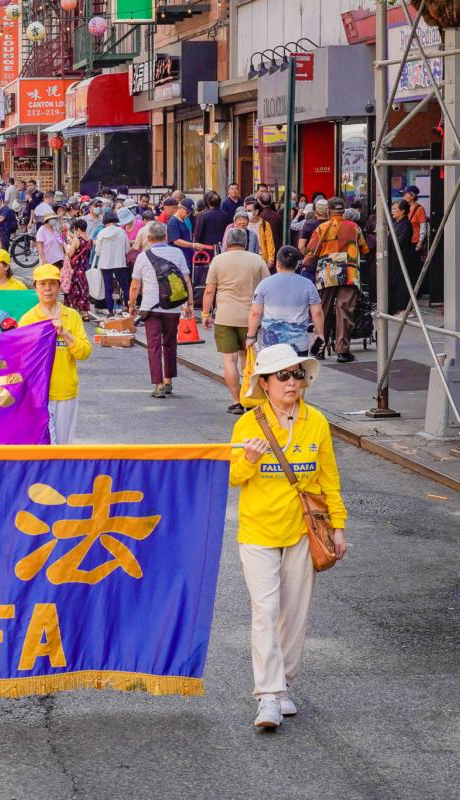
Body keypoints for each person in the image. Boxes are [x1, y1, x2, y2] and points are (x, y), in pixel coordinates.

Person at [230, 343, 347, 729]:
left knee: (294, 616)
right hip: (258, 530)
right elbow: (231, 477)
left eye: (297, 373)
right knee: (265, 612)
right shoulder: (248, 425)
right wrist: (249, 459)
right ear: (263, 383)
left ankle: (282, 689)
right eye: (282, 375)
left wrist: (339, 527)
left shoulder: (316, 422)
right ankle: (266, 695)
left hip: (302, 531)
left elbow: (328, 479)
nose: (292, 382)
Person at [18, 263, 92, 444]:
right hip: (38, 394)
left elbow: (84, 352)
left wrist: (65, 334)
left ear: (59, 287)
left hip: (65, 391)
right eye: (42, 284)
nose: (48, 289)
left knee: (63, 446)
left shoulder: (72, 316)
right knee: (44, 444)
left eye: (52, 283)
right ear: (35, 287)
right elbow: (20, 358)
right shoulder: (28, 320)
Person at [203, 228, 270, 414]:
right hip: (250, 316)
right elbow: (267, 286)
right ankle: (249, 399)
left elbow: (209, 290)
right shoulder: (256, 260)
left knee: (229, 359)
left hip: (225, 316)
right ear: (245, 242)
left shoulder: (218, 260)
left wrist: (206, 314)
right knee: (246, 358)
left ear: (227, 242)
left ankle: (236, 400)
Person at [128, 221, 195, 398]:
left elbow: (135, 285)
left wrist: (132, 304)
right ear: (166, 237)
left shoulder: (143, 256)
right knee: (170, 343)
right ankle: (168, 380)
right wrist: (190, 304)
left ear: (149, 238)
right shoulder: (178, 253)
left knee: (154, 346)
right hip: (173, 307)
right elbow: (186, 280)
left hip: (150, 307)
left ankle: (158, 385)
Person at [301, 197, 369, 363]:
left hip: (327, 272)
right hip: (350, 272)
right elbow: (364, 249)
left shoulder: (322, 228)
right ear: (343, 211)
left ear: (329, 211)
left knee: (322, 310)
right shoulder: (354, 227)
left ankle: (320, 349)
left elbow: (311, 251)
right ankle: (342, 351)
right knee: (344, 309)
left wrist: (307, 262)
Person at [248, 246, 325, 357]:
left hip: (271, 346)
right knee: (297, 373)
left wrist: (251, 337)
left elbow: (255, 313)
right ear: (296, 265)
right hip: (299, 345)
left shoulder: (264, 284)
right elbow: (317, 312)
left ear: (277, 263)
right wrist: (320, 334)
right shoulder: (308, 284)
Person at [94, 211, 131, 316]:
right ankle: (127, 308)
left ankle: (110, 311)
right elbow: (127, 249)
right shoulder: (122, 232)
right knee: (125, 287)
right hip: (119, 262)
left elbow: (98, 251)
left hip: (105, 264)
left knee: (108, 288)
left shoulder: (101, 233)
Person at [388, 199, 418, 313]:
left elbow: (399, 242)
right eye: (392, 209)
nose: (392, 211)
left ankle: (402, 308)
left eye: (395, 209)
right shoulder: (396, 222)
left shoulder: (406, 225)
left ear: (403, 211)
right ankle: (395, 307)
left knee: (401, 282)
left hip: (402, 257)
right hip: (393, 257)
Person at [403, 186, 428, 257]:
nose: (403, 196)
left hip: (415, 241)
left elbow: (423, 227)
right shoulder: (404, 208)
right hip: (406, 240)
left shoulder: (419, 209)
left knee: (413, 262)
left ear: (413, 196)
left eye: (405, 194)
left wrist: (420, 242)